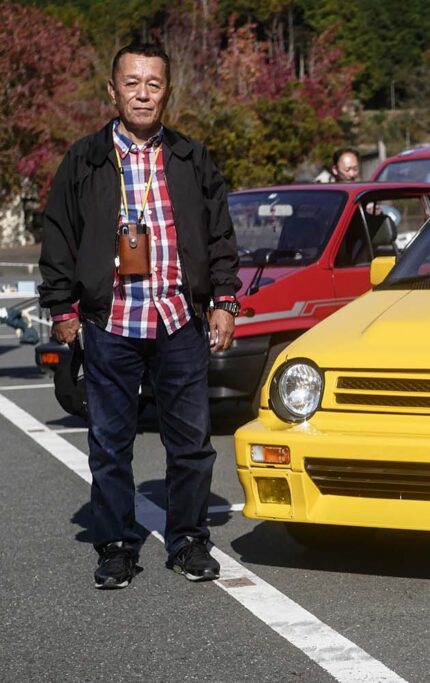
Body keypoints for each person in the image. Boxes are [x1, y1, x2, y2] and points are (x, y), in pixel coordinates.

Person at [38, 42, 241, 589]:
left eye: (154, 83)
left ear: (167, 91)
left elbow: (220, 233)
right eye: (132, 82)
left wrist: (224, 299)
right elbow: (57, 235)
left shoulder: (191, 157)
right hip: (110, 323)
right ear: (112, 90)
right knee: (109, 444)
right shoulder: (85, 158)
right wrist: (62, 305)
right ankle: (116, 545)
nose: (143, 93)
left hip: (178, 320)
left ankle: (189, 541)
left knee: (192, 444)